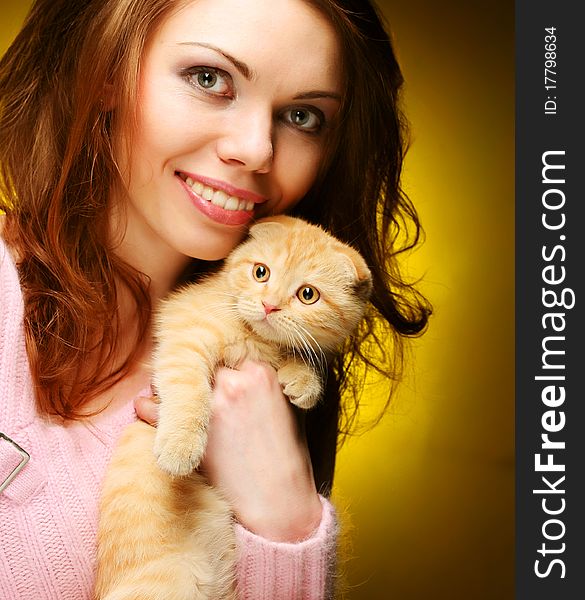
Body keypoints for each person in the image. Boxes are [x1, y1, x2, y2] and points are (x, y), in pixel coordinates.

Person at [0, 0, 430, 598]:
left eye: (303, 116)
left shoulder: (267, 373)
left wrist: (286, 523)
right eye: (209, 79)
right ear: (103, 73)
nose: (256, 149)